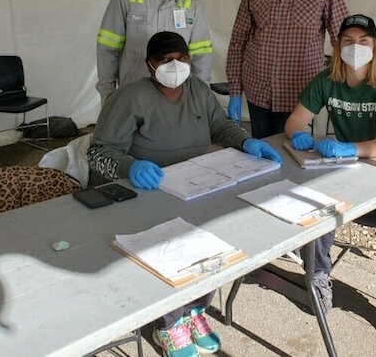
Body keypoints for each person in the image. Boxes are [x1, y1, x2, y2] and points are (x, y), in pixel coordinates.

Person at [88, 31, 281, 357]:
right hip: (147, 190)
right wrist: (130, 167)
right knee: (170, 250)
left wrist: (245, 141)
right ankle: (168, 323)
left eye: (181, 58)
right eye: (166, 61)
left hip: (193, 185)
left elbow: (220, 124)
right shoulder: (130, 98)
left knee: (216, 239)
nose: (175, 66)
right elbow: (98, 152)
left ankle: (195, 309)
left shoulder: (198, 91)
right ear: (150, 66)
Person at [284, 14, 376, 339]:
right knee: (316, 201)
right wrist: (302, 137)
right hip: (347, 169)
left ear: (374, 46)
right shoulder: (326, 80)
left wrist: (348, 149)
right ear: (337, 46)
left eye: (363, 41)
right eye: (348, 41)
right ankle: (318, 276)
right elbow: (294, 122)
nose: (355, 47)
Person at [226, 0, 348, 138]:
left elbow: (342, 39)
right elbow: (238, 40)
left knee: (293, 155)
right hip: (258, 89)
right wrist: (235, 90)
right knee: (261, 155)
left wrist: (343, 88)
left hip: (299, 92)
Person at [96, 0, 213, 104]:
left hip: (176, 98)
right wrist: (108, 96)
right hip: (133, 96)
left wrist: (202, 99)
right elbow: (107, 50)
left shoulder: (191, 4)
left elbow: (201, 56)